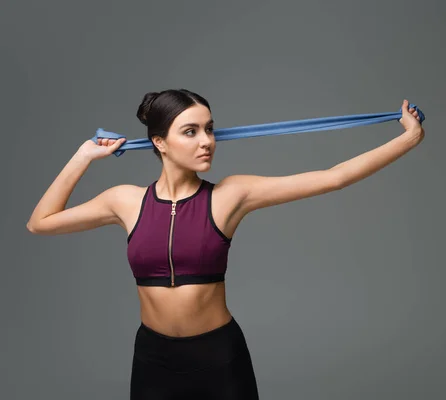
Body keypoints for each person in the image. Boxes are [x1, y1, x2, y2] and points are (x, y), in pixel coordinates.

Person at [26, 89, 424, 399]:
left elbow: (333, 177)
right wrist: (82, 157)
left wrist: (408, 139)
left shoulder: (230, 195)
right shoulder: (125, 200)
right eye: (191, 131)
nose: (207, 141)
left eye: (210, 129)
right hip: (152, 359)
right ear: (160, 143)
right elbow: (40, 223)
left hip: (218, 358)